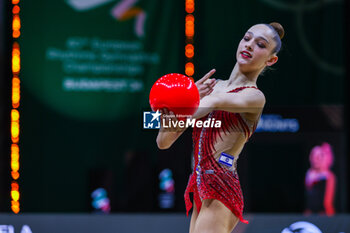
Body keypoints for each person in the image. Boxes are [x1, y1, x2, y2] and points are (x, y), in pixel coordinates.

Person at [156, 22, 284, 233]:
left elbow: (207, 105)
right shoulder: (212, 87)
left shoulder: (254, 96)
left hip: (221, 188)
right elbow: (163, 141)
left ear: (271, 59)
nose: (250, 45)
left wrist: (185, 99)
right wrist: (184, 102)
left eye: (260, 44)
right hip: (198, 186)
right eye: (247, 38)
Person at [305, 142, 336, 216]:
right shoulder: (309, 174)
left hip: (324, 215)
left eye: (319, 157)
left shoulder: (328, 176)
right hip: (310, 215)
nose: (316, 160)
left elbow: (327, 203)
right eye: (314, 156)